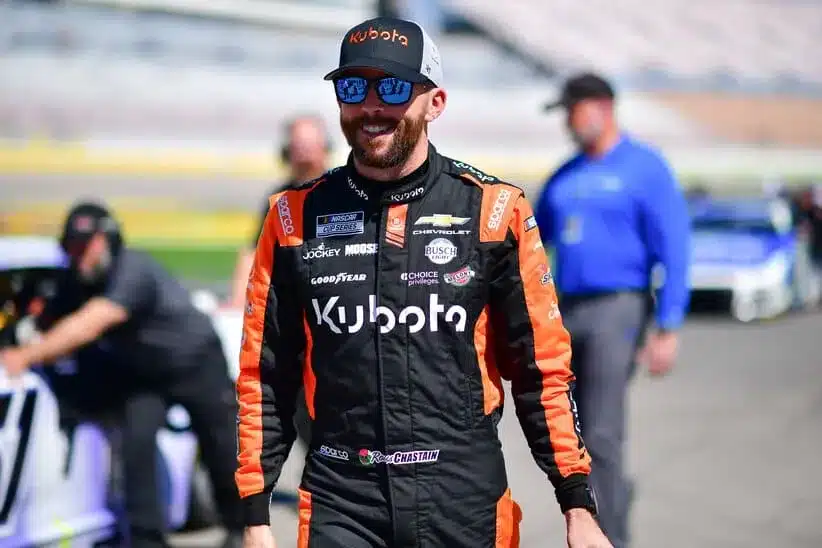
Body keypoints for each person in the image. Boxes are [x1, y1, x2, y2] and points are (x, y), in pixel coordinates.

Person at [236, 16, 611, 548]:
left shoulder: (493, 211)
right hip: (343, 497)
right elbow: (263, 374)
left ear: (435, 102)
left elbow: (541, 369)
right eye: (352, 87)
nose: (371, 107)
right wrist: (254, 515)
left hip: (461, 496)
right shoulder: (294, 218)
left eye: (391, 87)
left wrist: (577, 503)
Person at [0, 202, 245, 548]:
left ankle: (240, 528)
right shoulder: (76, 278)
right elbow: (49, 320)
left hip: (194, 364)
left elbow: (91, 322)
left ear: (108, 239)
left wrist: (24, 356)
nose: (79, 252)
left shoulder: (133, 269)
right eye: (72, 245)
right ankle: (147, 541)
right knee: (136, 446)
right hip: (143, 375)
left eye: (87, 244)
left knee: (221, 447)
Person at [536, 72, 691, 548]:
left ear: (601, 107)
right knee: (574, 432)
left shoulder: (645, 167)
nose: (566, 121)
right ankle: (607, 509)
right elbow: (529, 241)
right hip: (568, 311)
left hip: (618, 309)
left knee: (600, 432)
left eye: (572, 110)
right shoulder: (566, 175)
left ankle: (611, 539)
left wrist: (668, 325)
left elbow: (676, 247)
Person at [227, 115, 333, 308]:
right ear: (287, 152)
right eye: (300, 145)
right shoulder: (279, 200)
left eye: (310, 144)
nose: (305, 152)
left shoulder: (342, 191)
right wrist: (237, 302)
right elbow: (253, 252)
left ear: (325, 148)